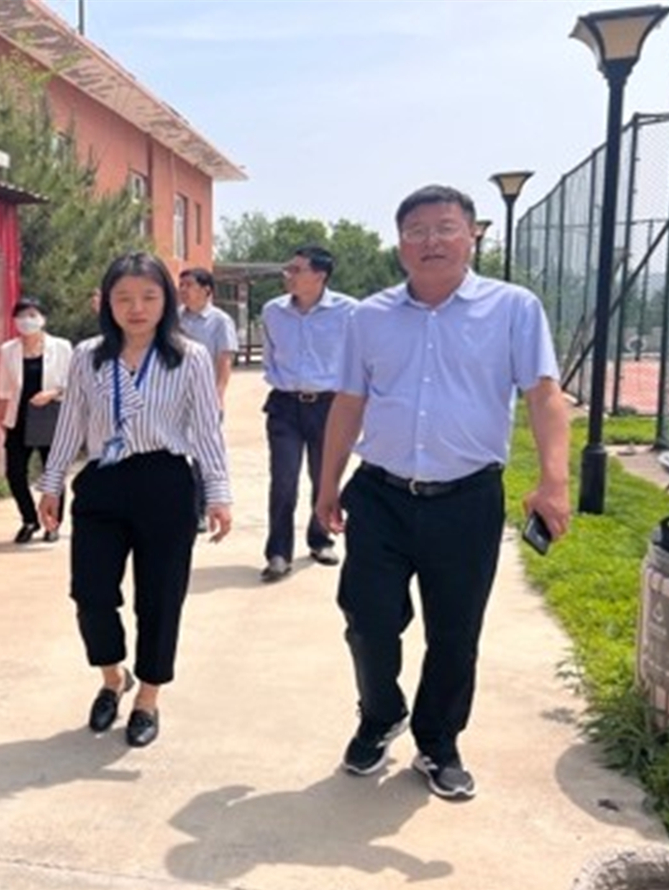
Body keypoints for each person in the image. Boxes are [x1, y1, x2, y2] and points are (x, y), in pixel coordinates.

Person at [315, 185, 570, 800]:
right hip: (381, 493)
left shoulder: (513, 308)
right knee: (367, 618)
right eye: (417, 230)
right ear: (400, 243)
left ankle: (438, 742)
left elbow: (543, 395)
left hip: (466, 499)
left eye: (446, 227)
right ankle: (381, 715)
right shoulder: (368, 317)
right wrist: (326, 484)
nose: (432, 241)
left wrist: (553, 481)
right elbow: (349, 402)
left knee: (455, 632)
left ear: (472, 235)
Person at [38, 252, 233, 748]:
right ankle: (112, 678)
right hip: (103, 482)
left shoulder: (188, 356)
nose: (137, 308)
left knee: (160, 598)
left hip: (165, 482)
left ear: (167, 300)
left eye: (149, 296)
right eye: (123, 298)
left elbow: (206, 429)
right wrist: (52, 482)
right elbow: (72, 422)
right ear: (107, 302)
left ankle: (148, 697)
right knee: (91, 593)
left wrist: (218, 493)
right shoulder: (89, 356)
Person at [258, 245, 357, 582]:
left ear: (320, 275)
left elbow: (358, 358)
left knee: (324, 477)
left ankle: (320, 539)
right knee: (283, 480)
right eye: (288, 269)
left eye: (296, 270)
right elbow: (270, 355)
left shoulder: (349, 311)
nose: (288, 275)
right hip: (285, 405)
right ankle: (278, 552)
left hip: (329, 406)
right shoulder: (273, 311)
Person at [0, 296, 74, 544]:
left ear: (43, 319)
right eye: (21, 316)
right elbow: (3, 387)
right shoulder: (8, 350)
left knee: (53, 472)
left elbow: (74, 383)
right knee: (14, 473)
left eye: (32, 315)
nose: (26, 321)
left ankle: (53, 523)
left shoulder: (61, 347)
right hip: (19, 418)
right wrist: (2, 418)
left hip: (50, 416)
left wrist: (52, 393)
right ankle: (29, 519)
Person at [176, 267, 239, 409]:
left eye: (189, 285)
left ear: (206, 290)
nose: (183, 290)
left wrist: (218, 394)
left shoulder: (220, 321)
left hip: (204, 392)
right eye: (181, 285)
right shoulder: (173, 318)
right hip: (174, 392)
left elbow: (225, 360)